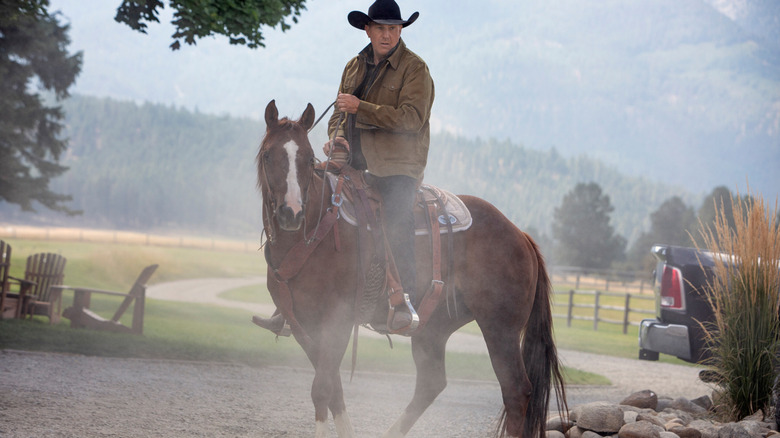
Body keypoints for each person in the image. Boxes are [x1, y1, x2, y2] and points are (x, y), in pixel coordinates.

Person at [253, 0, 434, 334]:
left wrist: (361, 108)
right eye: (380, 28)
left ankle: (403, 298)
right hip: (351, 160)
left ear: (400, 31)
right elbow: (339, 114)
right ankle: (292, 299)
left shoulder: (415, 69)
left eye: (393, 29)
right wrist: (336, 138)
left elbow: (412, 119)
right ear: (367, 29)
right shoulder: (354, 66)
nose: (387, 35)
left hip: (396, 165)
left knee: (396, 217)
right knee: (313, 203)